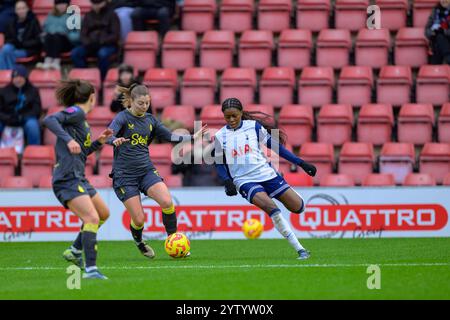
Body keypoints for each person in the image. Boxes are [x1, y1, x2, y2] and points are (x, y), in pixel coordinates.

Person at [107, 84, 207, 258]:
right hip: (125, 176)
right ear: (130, 101)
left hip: (146, 171)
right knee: (139, 220)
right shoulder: (122, 118)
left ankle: (173, 240)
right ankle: (139, 242)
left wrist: (191, 137)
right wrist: (114, 140)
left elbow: (169, 136)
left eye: (147, 103)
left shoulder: (151, 120)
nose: (144, 106)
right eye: (140, 103)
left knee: (167, 203)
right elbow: (108, 135)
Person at [214, 98, 317, 260]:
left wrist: (301, 163)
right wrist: (227, 181)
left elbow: (276, 147)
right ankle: (300, 249)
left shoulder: (253, 127)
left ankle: (282, 182)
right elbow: (219, 163)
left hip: (266, 173)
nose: (231, 120)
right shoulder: (220, 136)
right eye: (227, 117)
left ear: (241, 113)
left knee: (298, 207)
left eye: (234, 116)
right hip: (244, 181)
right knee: (272, 208)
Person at [43, 79, 113, 280]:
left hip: (78, 177)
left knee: (103, 213)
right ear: (92, 97)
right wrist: (69, 139)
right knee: (91, 218)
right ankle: (91, 270)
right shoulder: (77, 112)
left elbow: (81, 152)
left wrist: (99, 141)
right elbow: (49, 120)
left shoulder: (81, 120)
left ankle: (74, 250)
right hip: (67, 178)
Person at [71, 0, 120, 80]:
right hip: (91, 45)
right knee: (75, 53)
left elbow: (115, 35)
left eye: (98, 3)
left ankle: (102, 80)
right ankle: (84, 77)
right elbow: (83, 34)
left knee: (103, 53)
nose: (96, 6)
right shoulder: (88, 15)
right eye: (94, 3)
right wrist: (88, 43)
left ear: (104, 2)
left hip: (107, 45)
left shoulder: (112, 15)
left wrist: (102, 41)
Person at [0, 65, 41, 146]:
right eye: (15, 77)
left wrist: (22, 117)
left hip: (26, 119)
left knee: (32, 125)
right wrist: (8, 118)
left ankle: (34, 151)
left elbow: (36, 109)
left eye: (21, 77)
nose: (18, 80)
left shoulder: (33, 90)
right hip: (7, 119)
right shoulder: (3, 91)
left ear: (25, 77)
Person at [37, 0, 81, 70]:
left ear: (67, 4)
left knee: (57, 36)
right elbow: (44, 30)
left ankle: (56, 61)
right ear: (55, 5)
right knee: (50, 36)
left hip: (66, 43)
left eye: (63, 3)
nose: (61, 6)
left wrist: (67, 35)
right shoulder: (50, 15)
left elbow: (76, 35)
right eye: (59, 4)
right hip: (51, 41)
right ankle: (48, 60)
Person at [0, 1, 42, 70]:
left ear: (27, 9)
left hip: (28, 49)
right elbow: (8, 39)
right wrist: (15, 43)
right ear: (15, 11)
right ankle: (7, 75)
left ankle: (9, 75)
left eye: (23, 8)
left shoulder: (33, 21)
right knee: (5, 49)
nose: (21, 11)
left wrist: (24, 43)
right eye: (19, 9)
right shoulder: (12, 22)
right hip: (15, 47)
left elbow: (38, 40)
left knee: (5, 54)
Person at [425, 0, 450, 64]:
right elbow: (427, 29)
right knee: (438, 39)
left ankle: (435, 67)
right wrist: (433, 33)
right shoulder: (435, 11)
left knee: (439, 38)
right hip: (437, 40)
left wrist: (444, 31)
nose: (444, 1)